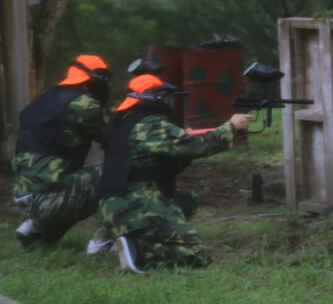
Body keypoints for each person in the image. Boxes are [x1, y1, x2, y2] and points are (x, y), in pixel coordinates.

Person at [97, 74, 252, 274]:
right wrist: (231, 127)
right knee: (196, 255)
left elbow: (170, 160)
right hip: (136, 204)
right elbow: (195, 146)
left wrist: (182, 139)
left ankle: (118, 239)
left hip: (115, 205)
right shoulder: (149, 124)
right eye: (163, 98)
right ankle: (139, 249)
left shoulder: (125, 122)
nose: (167, 103)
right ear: (153, 98)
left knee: (187, 200)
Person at [12, 54, 112, 250]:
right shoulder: (83, 103)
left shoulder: (45, 97)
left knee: (73, 182)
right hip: (48, 197)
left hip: (24, 193)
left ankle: (38, 231)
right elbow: (116, 139)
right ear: (96, 80)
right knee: (120, 171)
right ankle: (105, 242)